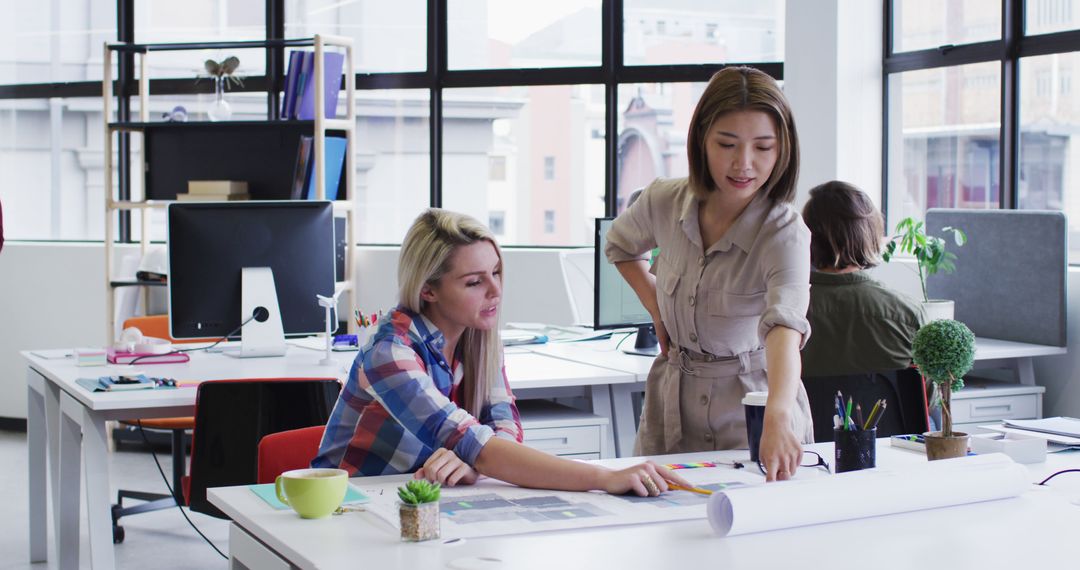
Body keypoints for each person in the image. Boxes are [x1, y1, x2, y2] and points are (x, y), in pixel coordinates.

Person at [313, 209, 690, 497]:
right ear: (428, 289)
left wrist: (473, 462)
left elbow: (504, 430)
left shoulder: (478, 337)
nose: (495, 291)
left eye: (496, 273)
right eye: (475, 282)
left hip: (422, 502)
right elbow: (482, 446)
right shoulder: (390, 352)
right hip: (351, 505)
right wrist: (604, 477)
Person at [605, 66, 814, 482]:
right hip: (671, 405)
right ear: (702, 139)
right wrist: (656, 307)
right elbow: (620, 246)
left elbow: (784, 327)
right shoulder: (664, 200)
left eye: (763, 147)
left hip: (752, 406)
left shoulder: (783, 230)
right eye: (727, 144)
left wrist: (778, 412)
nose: (744, 164)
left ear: (783, 149)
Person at [799, 180, 925, 377]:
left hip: (802, 409)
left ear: (807, 236)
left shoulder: (787, 309)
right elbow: (927, 400)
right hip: (882, 409)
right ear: (869, 234)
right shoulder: (907, 312)